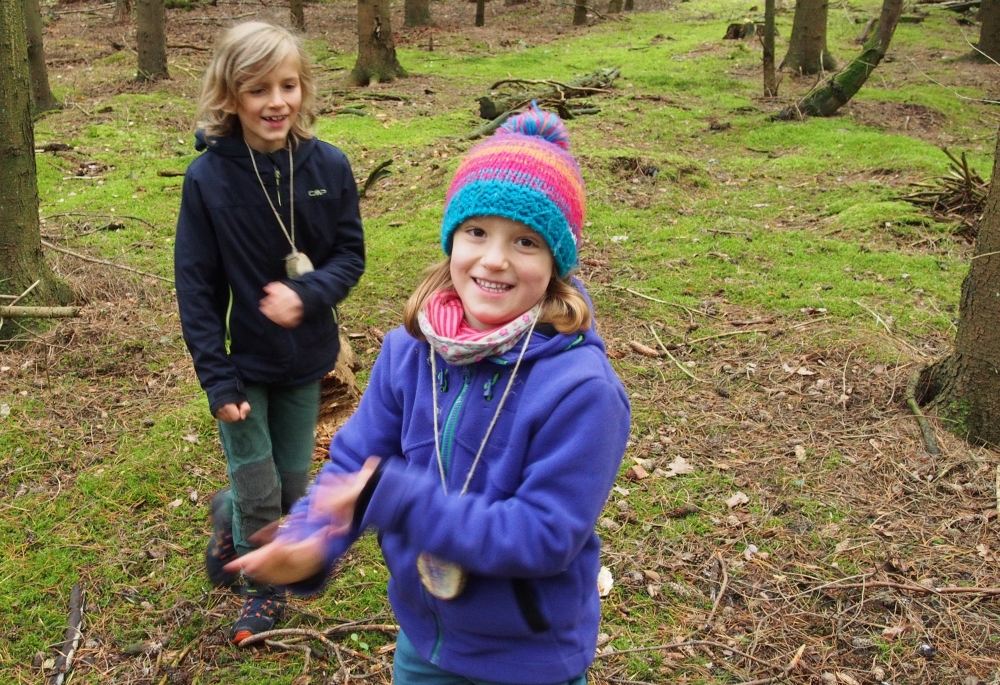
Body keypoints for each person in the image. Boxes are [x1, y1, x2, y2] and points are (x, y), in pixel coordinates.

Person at [225, 106, 630, 684]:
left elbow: (544, 536)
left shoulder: (582, 391)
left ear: (557, 262)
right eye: (476, 231)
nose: (494, 259)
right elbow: (353, 462)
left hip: (528, 658)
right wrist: (311, 538)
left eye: (526, 241)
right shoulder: (410, 352)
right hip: (424, 642)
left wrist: (399, 499)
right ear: (451, 238)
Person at [173, 20, 365, 644]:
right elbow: (196, 285)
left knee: (289, 483)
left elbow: (349, 256)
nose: (275, 102)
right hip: (242, 364)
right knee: (260, 485)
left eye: (287, 85)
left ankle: (227, 515)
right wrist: (215, 374)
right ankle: (265, 592)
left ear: (304, 89)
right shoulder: (208, 179)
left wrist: (307, 294)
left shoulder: (328, 166)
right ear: (230, 97)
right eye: (258, 90)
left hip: (308, 359)